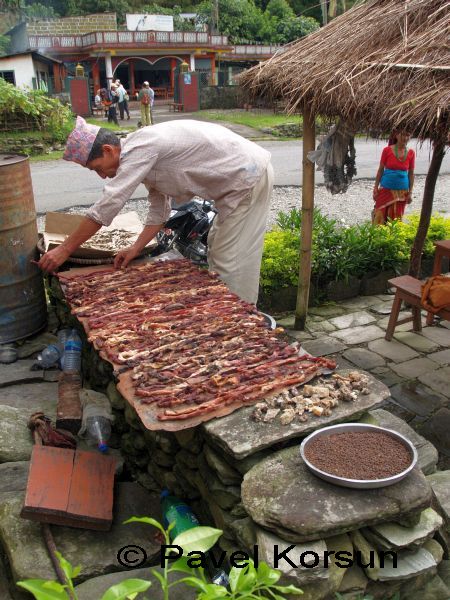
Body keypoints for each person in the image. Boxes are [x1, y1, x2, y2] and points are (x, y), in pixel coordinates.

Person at [38, 116, 273, 304]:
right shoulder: (140, 152)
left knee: (229, 260)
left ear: (109, 150)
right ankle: (231, 309)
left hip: (248, 178)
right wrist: (135, 248)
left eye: (97, 168)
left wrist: (65, 250)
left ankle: (239, 320)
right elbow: (160, 209)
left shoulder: (140, 150)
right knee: (219, 248)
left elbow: (108, 204)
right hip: (239, 182)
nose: (101, 175)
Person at [372, 129, 415, 224]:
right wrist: (375, 187)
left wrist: (410, 192)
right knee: (379, 215)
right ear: (396, 135)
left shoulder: (411, 153)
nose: (405, 138)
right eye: (402, 135)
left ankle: (393, 238)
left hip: (402, 191)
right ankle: (378, 238)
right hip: (385, 189)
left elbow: (411, 174)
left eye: (408, 135)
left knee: (396, 219)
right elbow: (380, 170)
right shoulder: (387, 150)